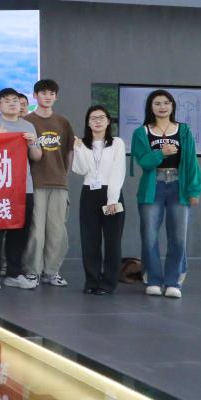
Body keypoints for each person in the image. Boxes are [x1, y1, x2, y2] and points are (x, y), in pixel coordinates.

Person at [131, 89, 201, 298]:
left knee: (178, 237)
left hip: (179, 185)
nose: (162, 107)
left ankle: (173, 282)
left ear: (172, 106)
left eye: (166, 103)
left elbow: (191, 162)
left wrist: (194, 189)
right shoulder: (142, 132)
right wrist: (161, 153)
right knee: (149, 236)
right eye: (157, 103)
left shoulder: (184, 130)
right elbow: (144, 162)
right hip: (153, 186)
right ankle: (153, 280)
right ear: (150, 108)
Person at [0, 88, 41, 290]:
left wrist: (32, 143)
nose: (12, 103)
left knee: (20, 231)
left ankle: (14, 273)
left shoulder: (28, 125)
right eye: (6, 100)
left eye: (15, 100)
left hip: (24, 186)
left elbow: (37, 156)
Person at [24, 79, 75, 287]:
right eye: (43, 93)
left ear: (56, 96)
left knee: (57, 230)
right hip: (34, 183)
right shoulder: (27, 121)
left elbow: (69, 151)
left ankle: (51, 271)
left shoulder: (63, 122)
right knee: (36, 231)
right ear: (35, 95)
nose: (47, 96)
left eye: (51, 93)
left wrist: (64, 174)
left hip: (59, 183)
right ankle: (32, 271)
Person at [72, 105, 126, 295]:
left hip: (112, 192)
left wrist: (112, 199)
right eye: (93, 118)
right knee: (90, 240)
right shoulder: (82, 144)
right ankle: (92, 280)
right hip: (89, 193)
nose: (97, 121)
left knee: (112, 241)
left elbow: (118, 171)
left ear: (108, 121)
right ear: (88, 122)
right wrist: (78, 150)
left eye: (101, 117)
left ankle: (108, 282)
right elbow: (80, 170)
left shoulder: (117, 143)